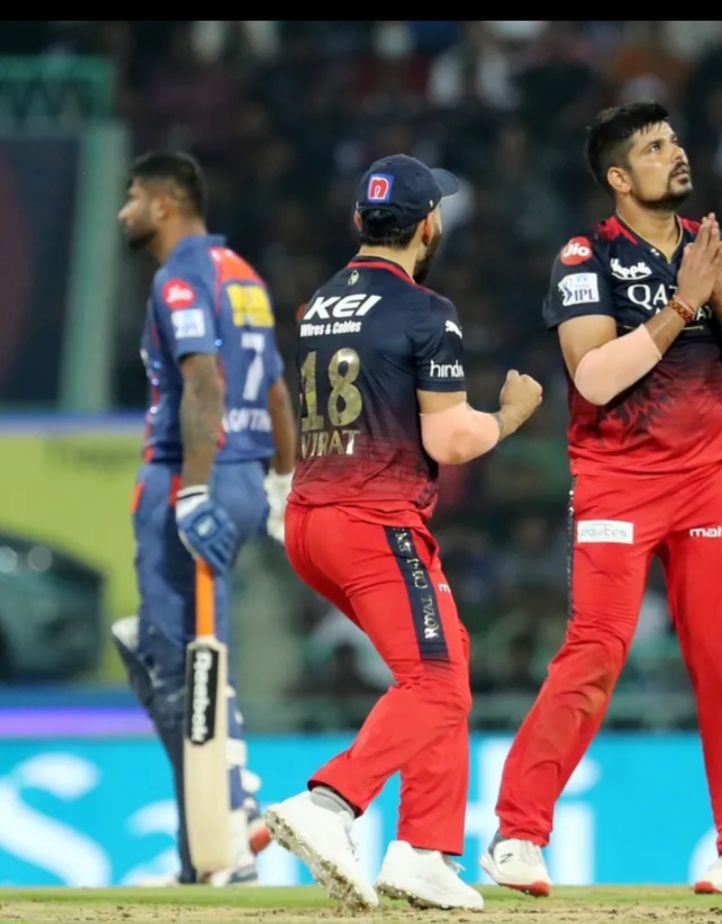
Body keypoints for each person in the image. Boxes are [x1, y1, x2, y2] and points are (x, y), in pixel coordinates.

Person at [479, 101, 722, 897]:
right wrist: (681, 306)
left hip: (714, 476)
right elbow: (592, 376)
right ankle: (516, 836)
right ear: (619, 177)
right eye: (655, 147)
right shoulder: (587, 255)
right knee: (595, 652)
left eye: (677, 140)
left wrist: (715, 296)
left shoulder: (720, 251)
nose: (676, 153)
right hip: (620, 477)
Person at [265, 153, 542, 912]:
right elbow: (452, 441)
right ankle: (330, 804)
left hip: (310, 520)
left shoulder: (320, 303)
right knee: (434, 682)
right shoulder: (427, 310)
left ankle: (425, 851)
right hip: (373, 521)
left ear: (360, 223)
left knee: (446, 660)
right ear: (428, 225)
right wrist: (510, 416)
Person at [112, 151, 297, 885]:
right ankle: (207, 848)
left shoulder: (179, 276)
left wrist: (190, 491)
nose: (123, 210)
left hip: (191, 473)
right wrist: (281, 488)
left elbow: (203, 382)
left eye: (130, 196)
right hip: (248, 476)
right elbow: (276, 394)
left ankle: (231, 818)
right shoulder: (243, 275)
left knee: (174, 660)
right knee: (182, 652)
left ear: (163, 204)